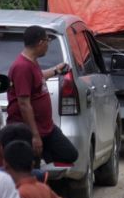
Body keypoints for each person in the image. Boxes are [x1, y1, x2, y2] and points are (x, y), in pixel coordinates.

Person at [6, 25, 79, 164]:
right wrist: (34, 136)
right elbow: (24, 104)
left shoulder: (32, 62)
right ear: (40, 43)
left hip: (46, 127)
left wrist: (56, 70)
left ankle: (43, 161)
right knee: (31, 166)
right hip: (30, 131)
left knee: (69, 154)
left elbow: (38, 77)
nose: (48, 45)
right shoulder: (22, 67)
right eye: (47, 41)